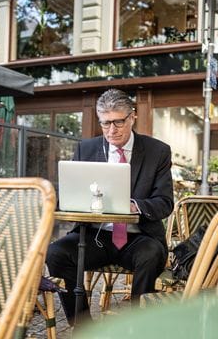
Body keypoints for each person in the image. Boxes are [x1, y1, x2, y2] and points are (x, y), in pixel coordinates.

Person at [46, 88, 174, 324]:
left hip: (139, 237)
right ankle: (83, 326)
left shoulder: (158, 152)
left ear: (132, 117)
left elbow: (165, 203)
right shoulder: (86, 149)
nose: (111, 130)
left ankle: (139, 326)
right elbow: (70, 198)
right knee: (56, 254)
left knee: (150, 254)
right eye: (105, 124)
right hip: (96, 236)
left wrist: (133, 206)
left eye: (118, 122)